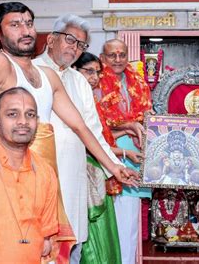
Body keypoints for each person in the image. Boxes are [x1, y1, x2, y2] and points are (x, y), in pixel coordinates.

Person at [0, 2, 137, 262]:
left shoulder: (47, 76)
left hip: (40, 181)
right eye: (15, 25)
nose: (25, 30)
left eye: (29, 23)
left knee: (42, 251)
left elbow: (81, 126)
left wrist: (113, 167)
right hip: (0, 178)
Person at [33, 14, 135, 262]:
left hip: (73, 181)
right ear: (51, 39)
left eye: (81, 44)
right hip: (39, 178)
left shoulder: (79, 81)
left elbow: (93, 132)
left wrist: (115, 167)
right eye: (70, 40)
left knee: (73, 248)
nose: (75, 48)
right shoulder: (31, 72)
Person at [0, 87, 58, 262]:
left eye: (30, 115)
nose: (23, 121)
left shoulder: (45, 172)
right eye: (12, 114)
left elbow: (47, 240)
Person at [98, 39, 153, 264]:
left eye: (122, 54)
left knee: (129, 225)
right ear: (103, 58)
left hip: (135, 159)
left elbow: (148, 117)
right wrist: (128, 127)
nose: (118, 60)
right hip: (105, 157)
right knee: (105, 225)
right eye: (112, 55)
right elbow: (95, 126)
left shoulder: (139, 82)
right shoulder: (95, 83)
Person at [72, 51, 122, 264]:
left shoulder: (90, 97)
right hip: (82, 167)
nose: (95, 77)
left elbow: (100, 136)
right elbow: (87, 135)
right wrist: (119, 159)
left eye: (98, 72)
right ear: (74, 71)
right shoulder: (70, 97)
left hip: (96, 166)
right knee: (89, 233)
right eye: (89, 71)